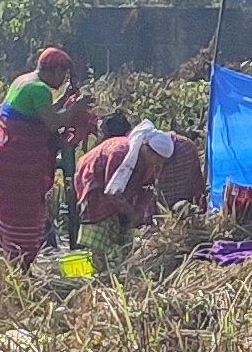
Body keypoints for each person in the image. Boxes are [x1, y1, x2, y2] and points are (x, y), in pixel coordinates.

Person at [0, 49, 86, 262]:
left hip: (0, 152)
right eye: (63, 74)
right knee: (23, 214)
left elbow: (42, 113)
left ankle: (14, 262)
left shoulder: (23, 81)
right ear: (57, 71)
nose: (63, 80)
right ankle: (20, 265)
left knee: (10, 212)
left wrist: (66, 98)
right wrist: (77, 106)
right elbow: (53, 122)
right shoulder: (39, 89)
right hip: (17, 161)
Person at [69, 115, 175, 270]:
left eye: (162, 161)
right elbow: (110, 189)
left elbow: (147, 189)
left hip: (121, 195)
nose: (158, 163)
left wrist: (138, 213)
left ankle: (119, 268)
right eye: (156, 157)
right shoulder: (120, 152)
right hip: (97, 186)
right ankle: (100, 271)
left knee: (124, 234)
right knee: (100, 230)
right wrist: (129, 212)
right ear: (145, 147)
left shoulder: (152, 164)